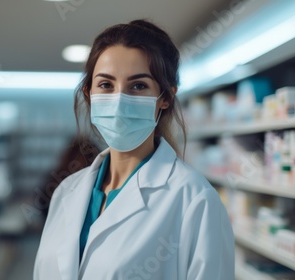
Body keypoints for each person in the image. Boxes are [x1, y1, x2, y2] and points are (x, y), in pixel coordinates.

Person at [34, 19, 234, 280]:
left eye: (138, 86)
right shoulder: (66, 191)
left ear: (165, 98)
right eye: (106, 85)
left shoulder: (195, 200)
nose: (119, 100)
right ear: (89, 93)